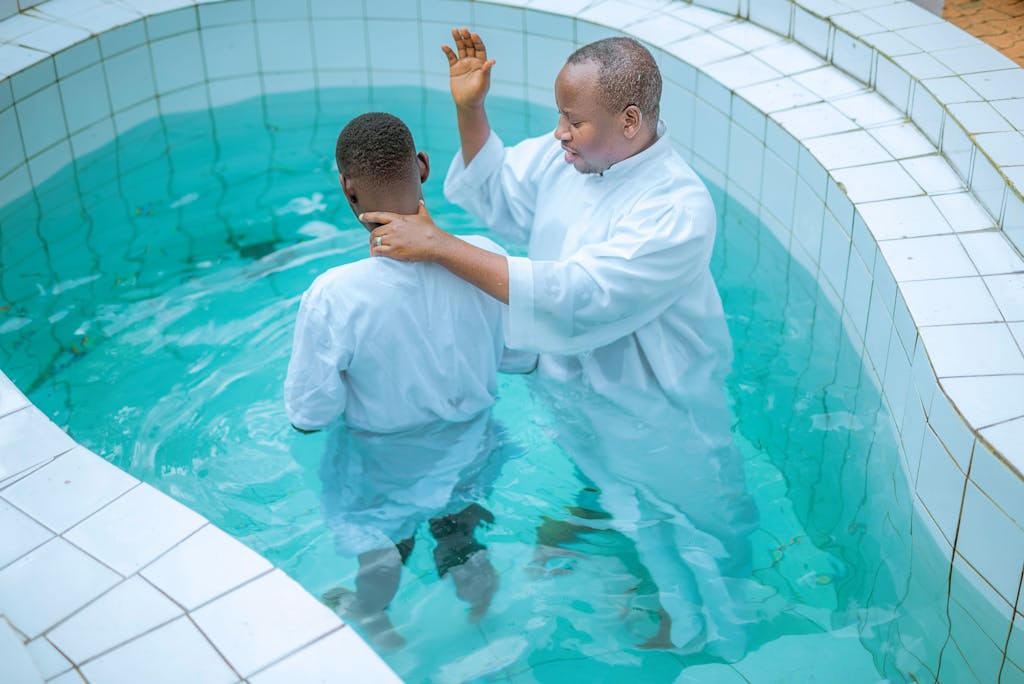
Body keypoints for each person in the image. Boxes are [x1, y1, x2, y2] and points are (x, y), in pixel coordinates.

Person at [360, 33, 758, 658]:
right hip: (582, 388)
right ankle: (599, 520)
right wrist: (471, 108)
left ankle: (701, 634)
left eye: (574, 121)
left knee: (696, 522)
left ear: (629, 121)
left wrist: (437, 244)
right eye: (559, 118)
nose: (560, 134)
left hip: (659, 410)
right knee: (607, 479)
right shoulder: (571, 156)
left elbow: (580, 296)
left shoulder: (677, 210)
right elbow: (499, 189)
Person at [284, 112, 506, 643]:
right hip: (472, 442)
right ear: (424, 167)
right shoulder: (489, 261)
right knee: (462, 536)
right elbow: (520, 357)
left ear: (347, 190)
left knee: (384, 546)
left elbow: (309, 416)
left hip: (383, 462)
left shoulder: (335, 295)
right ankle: (484, 618)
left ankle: (375, 618)